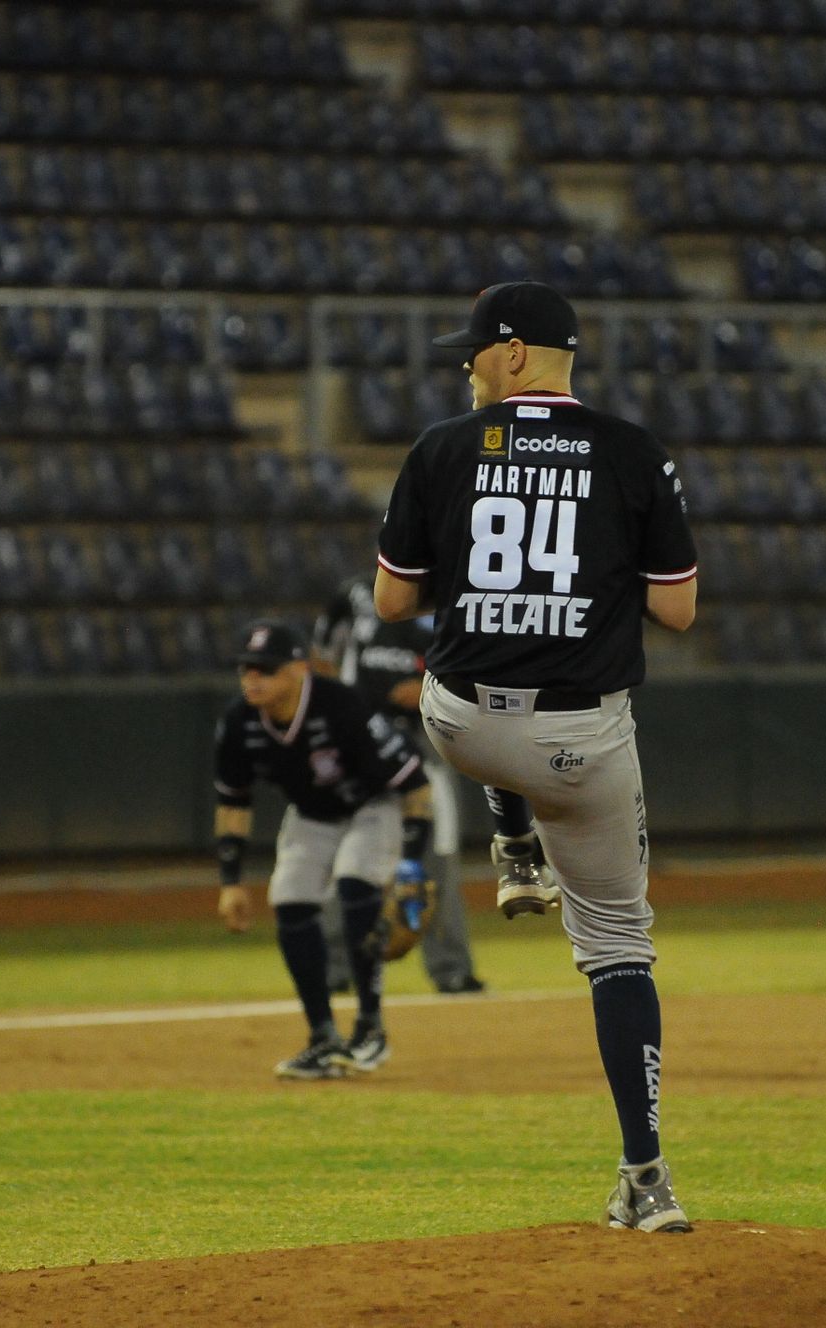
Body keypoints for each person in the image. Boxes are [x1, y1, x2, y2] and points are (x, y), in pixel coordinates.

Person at [372, 280, 700, 1233]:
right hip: (582, 742)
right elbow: (677, 609)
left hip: (465, 723)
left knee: (454, 706)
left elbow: (393, 606)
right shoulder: (633, 451)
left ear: (513, 353)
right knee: (618, 948)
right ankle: (647, 1179)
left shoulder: (442, 448)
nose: (465, 366)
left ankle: (511, 843)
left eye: (473, 350)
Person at [212, 619, 433, 1079]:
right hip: (312, 814)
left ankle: (370, 1028)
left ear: (299, 669)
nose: (252, 678)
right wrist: (230, 882)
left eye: (265, 669)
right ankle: (321, 1036)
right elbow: (232, 802)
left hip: (373, 806)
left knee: (356, 882)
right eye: (247, 669)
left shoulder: (340, 705)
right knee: (289, 899)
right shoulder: (239, 720)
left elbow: (414, 785)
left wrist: (410, 862)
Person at [315, 578, 487, 994]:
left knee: (438, 860)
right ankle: (332, 968)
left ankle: (451, 970)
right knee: (347, 858)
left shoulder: (457, 593)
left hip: (426, 744)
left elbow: (478, 663)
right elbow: (319, 658)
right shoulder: (355, 595)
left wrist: (434, 688)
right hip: (362, 746)